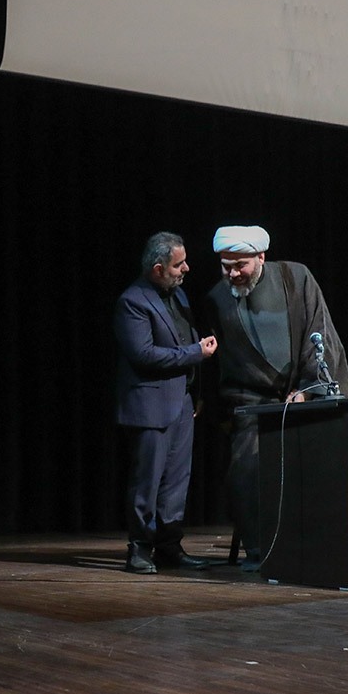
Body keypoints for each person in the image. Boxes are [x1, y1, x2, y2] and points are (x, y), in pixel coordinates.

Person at [200, 225, 348, 570]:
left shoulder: (294, 278)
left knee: (328, 458)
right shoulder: (216, 299)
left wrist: (308, 389)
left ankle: (324, 543)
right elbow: (225, 365)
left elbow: (320, 333)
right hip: (253, 403)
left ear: (261, 257)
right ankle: (261, 549)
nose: (233, 274)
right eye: (226, 266)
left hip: (306, 395)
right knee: (246, 468)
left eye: (240, 265)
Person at [114, 232, 219, 574]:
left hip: (182, 403)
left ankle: (169, 546)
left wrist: (197, 391)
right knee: (147, 482)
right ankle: (139, 548)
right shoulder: (133, 301)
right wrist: (195, 353)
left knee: (176, 481)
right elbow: (143, 354)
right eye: (178, 264)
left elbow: (187, 339)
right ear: (158, 269)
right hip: (150, 406)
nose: (186, 269)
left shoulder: (179, 295)